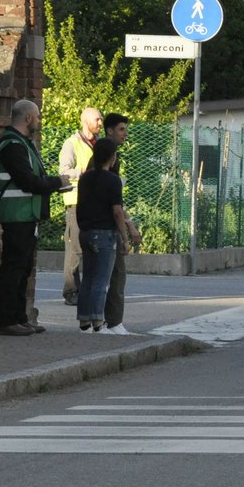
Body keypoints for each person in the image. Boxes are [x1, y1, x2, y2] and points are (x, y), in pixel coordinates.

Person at [0, 99, 71, 336]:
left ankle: (19, 317)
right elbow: (28, 181)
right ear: (27, 118)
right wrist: (58, 182)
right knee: (13, 268)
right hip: (16, 214)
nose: (40, 120)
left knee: (23, 268)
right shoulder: (12, 145)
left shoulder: (23, 143)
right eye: (37, 116)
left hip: (27, 214)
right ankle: (4, 320)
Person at [75, 136, 128, 332]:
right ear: (112, 157)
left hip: (86, 232)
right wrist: (124, 236)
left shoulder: (85, 178)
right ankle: (98, 322)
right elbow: (117, 211)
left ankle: (84, 320)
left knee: (87, 277)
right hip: (104, 233)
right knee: (101, 280)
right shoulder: (113, 181)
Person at [100, 112, 143, 334]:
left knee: (104, 276)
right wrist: (128, 228)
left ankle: (103, 322)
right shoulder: (107, 156)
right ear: (110, 131)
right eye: (121, 129)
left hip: (103, 224)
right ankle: (111, 323)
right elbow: (115, 203)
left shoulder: (107, 156)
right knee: (114, 275)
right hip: (107, 225)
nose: (125, 134)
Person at [58, 107, 103, 306]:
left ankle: (86, 289)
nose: (100, 123)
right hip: (76, 202)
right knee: (75, 249)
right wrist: (84, 170)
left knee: (90, 247)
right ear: (85, 122)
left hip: (94, 202)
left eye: (101, 119)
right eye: (97, 119)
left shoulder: (99, 144)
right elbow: (64, 173)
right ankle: (71, 291)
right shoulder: (72, 143)